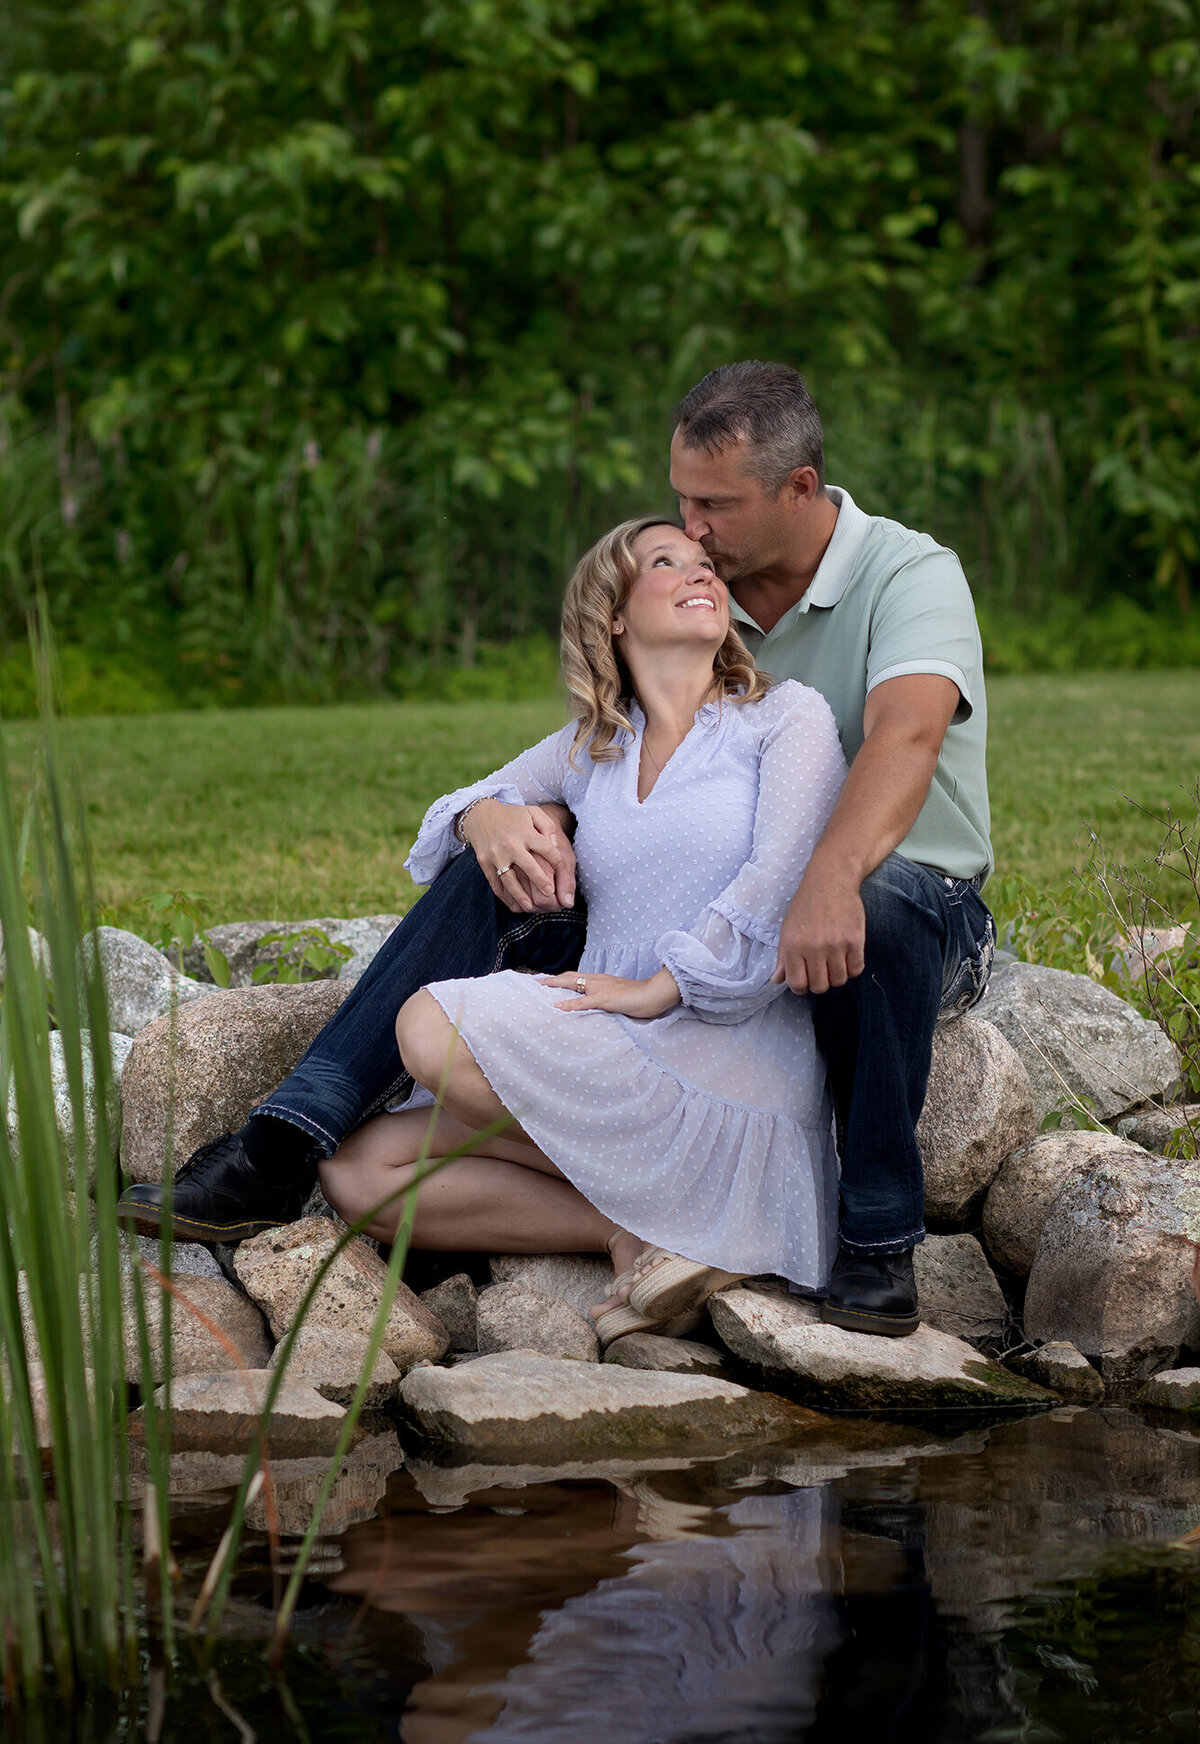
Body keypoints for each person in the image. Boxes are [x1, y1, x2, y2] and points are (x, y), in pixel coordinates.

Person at [117, 361, 994, 1337]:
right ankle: (292, 1142)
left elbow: (905, 737)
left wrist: (827, 879)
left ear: (800, 489)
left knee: (875, 905)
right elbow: (606, 767)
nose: (692, 534)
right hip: (699, 960)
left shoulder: (907, 578)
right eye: (678, 509)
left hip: (899, 907)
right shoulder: (714, 610)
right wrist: (483, 819)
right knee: (491, 877)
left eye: (715, 508)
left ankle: (874, 1239)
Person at [314, 518, 846, 1334]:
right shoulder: (591, 747)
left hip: (727, 1033)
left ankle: (697, 1213)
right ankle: (630, 1227)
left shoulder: (782, 718)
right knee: (358, 1173)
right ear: (615, 618)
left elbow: (780, 883)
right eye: (665, 563)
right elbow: (444, 817)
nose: (699, 572)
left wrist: (657, 987)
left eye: (706, 563)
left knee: (427, 1025)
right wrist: (484, 819)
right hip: (609, 1032)